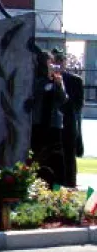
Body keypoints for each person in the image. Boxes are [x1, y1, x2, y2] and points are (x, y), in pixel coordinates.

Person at [30, 50, 68, 186]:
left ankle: (57, 187)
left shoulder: (58, 80)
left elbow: (63, 99)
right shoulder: (36, 81)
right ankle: (35, 185)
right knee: (37, 157)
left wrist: (58, 83)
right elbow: (33, 97)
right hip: (39, 123)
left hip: (53, 125)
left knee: (56, 159)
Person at [53, 50, 84, 187]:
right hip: (51, 126)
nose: (58, 64)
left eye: (61, 61)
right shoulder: (47, 79)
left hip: (68, 124)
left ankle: (70, 185)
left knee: (69, 159)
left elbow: (77, 106)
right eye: (56, 61)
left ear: (64, 63)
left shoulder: (75, 80)